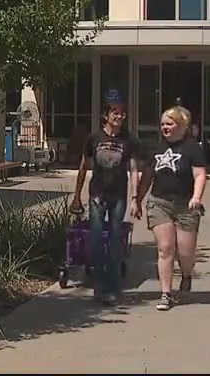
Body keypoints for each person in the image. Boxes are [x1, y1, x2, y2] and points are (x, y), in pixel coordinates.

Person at [132, 105, 207, 311]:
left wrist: (196, 197)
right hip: (159, 202)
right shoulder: (156, 149)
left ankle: (186, 274)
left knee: (185, 252)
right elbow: (147, 178)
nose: (165, 127)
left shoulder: (193, 149)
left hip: (186, 205)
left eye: (170, 124)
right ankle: (166, 293)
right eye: (163, 124)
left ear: (181, 126)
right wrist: (137, 200)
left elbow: (200, 175)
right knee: (165, 249)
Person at [70, 101, 138, 306]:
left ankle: (114, 288)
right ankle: (99, 286)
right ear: (106, 116)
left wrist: (135, 198)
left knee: (116, 240)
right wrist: (76, 196)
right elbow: (83, 167)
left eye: (123, 114)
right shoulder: (94, 139)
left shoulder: (128, 140)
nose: (119, 117)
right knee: (96, 240)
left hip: (119, 195)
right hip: (97, 194)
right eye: (115, 113)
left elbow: (134, 169)